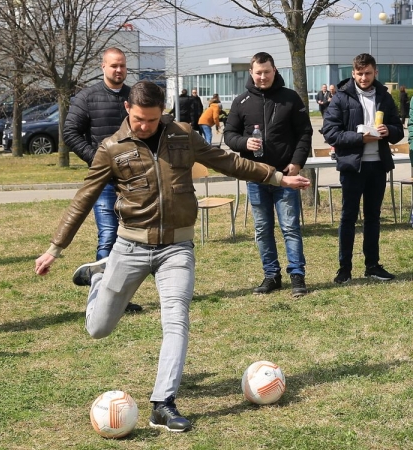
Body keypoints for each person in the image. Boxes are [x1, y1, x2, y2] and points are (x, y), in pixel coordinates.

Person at [34, 81, 310, 432]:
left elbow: (228, 161)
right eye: (137, 120)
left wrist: (276, 178)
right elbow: (83, 199)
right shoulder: (110, 148)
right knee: (98, 329)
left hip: (176, 248)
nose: (144, 126)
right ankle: (100, 275)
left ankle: (162, 404)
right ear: (127, 112)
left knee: (176, 319)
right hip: (130, 247)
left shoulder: (183, 135)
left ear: (162, 112)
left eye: (150, 120)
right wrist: (55, 248)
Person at [224, 52, 313, 297]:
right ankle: (271, 275)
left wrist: (297, 163)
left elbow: (305, 133)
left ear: (275, 70)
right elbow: (229, 135)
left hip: (286, 175)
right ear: (251, 73)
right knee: (263, 229)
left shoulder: (290, 98)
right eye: (258, 72)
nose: (263, 76)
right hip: (256, 177)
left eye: (267, 71)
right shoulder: (241, 102)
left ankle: (297, 276)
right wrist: (244, 143)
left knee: (290, 227)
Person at [62, 47, 141, 313]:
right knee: (108, 235)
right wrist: (97, 159)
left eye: (122, 66)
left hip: (134, 181)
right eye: (113, 65)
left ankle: (121, 298)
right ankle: (102, 301)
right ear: (103, 66)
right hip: (105, 181)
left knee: (129, 240)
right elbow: (70, 132)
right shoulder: (87, 97)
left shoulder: (135, 96)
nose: (118, 70)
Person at [321, 53, 404, 284]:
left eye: (368, 73)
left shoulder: (384, 97)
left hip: (378, 166)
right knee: (348, 217)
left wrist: (389, 130)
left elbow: (398, 130)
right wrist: (359, 138)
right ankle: (344, 269)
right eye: (360, 73)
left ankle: (373, 266)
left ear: (375, 72)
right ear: (353, 73)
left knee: (373, 218)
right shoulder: (341, 97)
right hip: (352, 167)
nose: (364, 77)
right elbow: (330, 133)